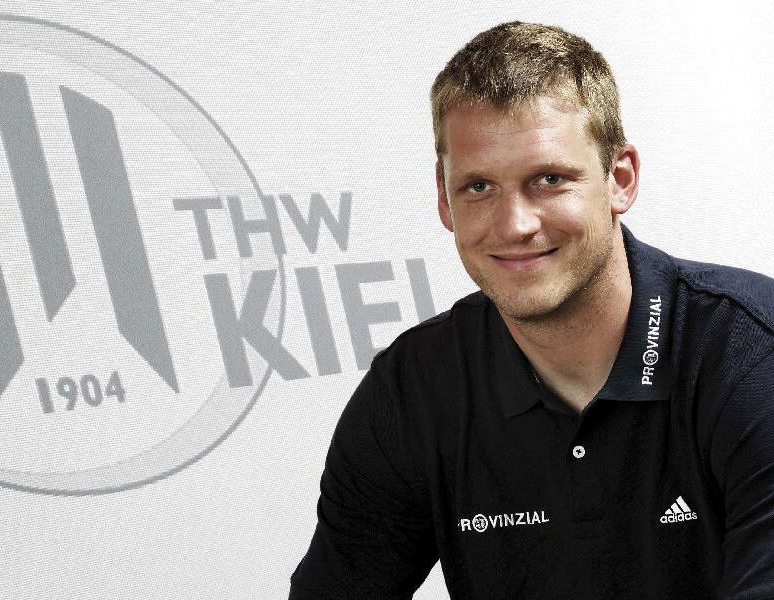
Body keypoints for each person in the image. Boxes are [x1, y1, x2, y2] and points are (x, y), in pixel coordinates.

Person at [289, 21, 774, 599]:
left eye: (548, 179)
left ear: (619, 180)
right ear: (444, 200)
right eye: (478, 187)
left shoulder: (749, 352)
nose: (515, 225)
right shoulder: (415, 387)